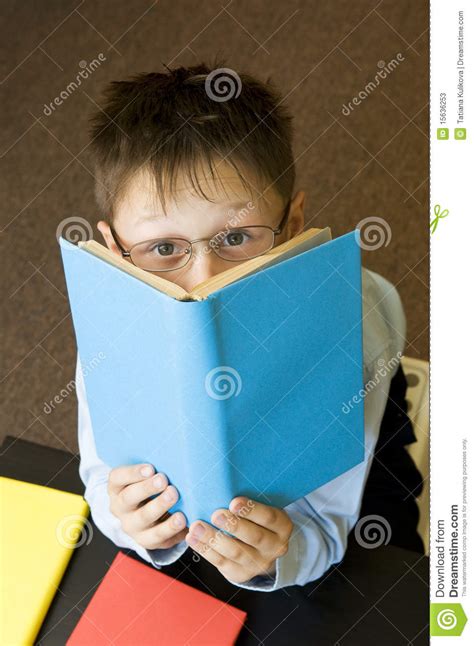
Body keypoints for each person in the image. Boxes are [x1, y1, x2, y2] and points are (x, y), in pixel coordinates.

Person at [76, 62, 424, 592]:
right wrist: (130, 522)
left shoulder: (357, 329)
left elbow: (329, 527)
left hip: (362, 431)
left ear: (292, 223)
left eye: (236, 238)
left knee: (388, 562)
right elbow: (101, 478)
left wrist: (282, 558)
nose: (205, 281)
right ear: (112, 249)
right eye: (163, 249)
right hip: (199, 519)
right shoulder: (114, 322)